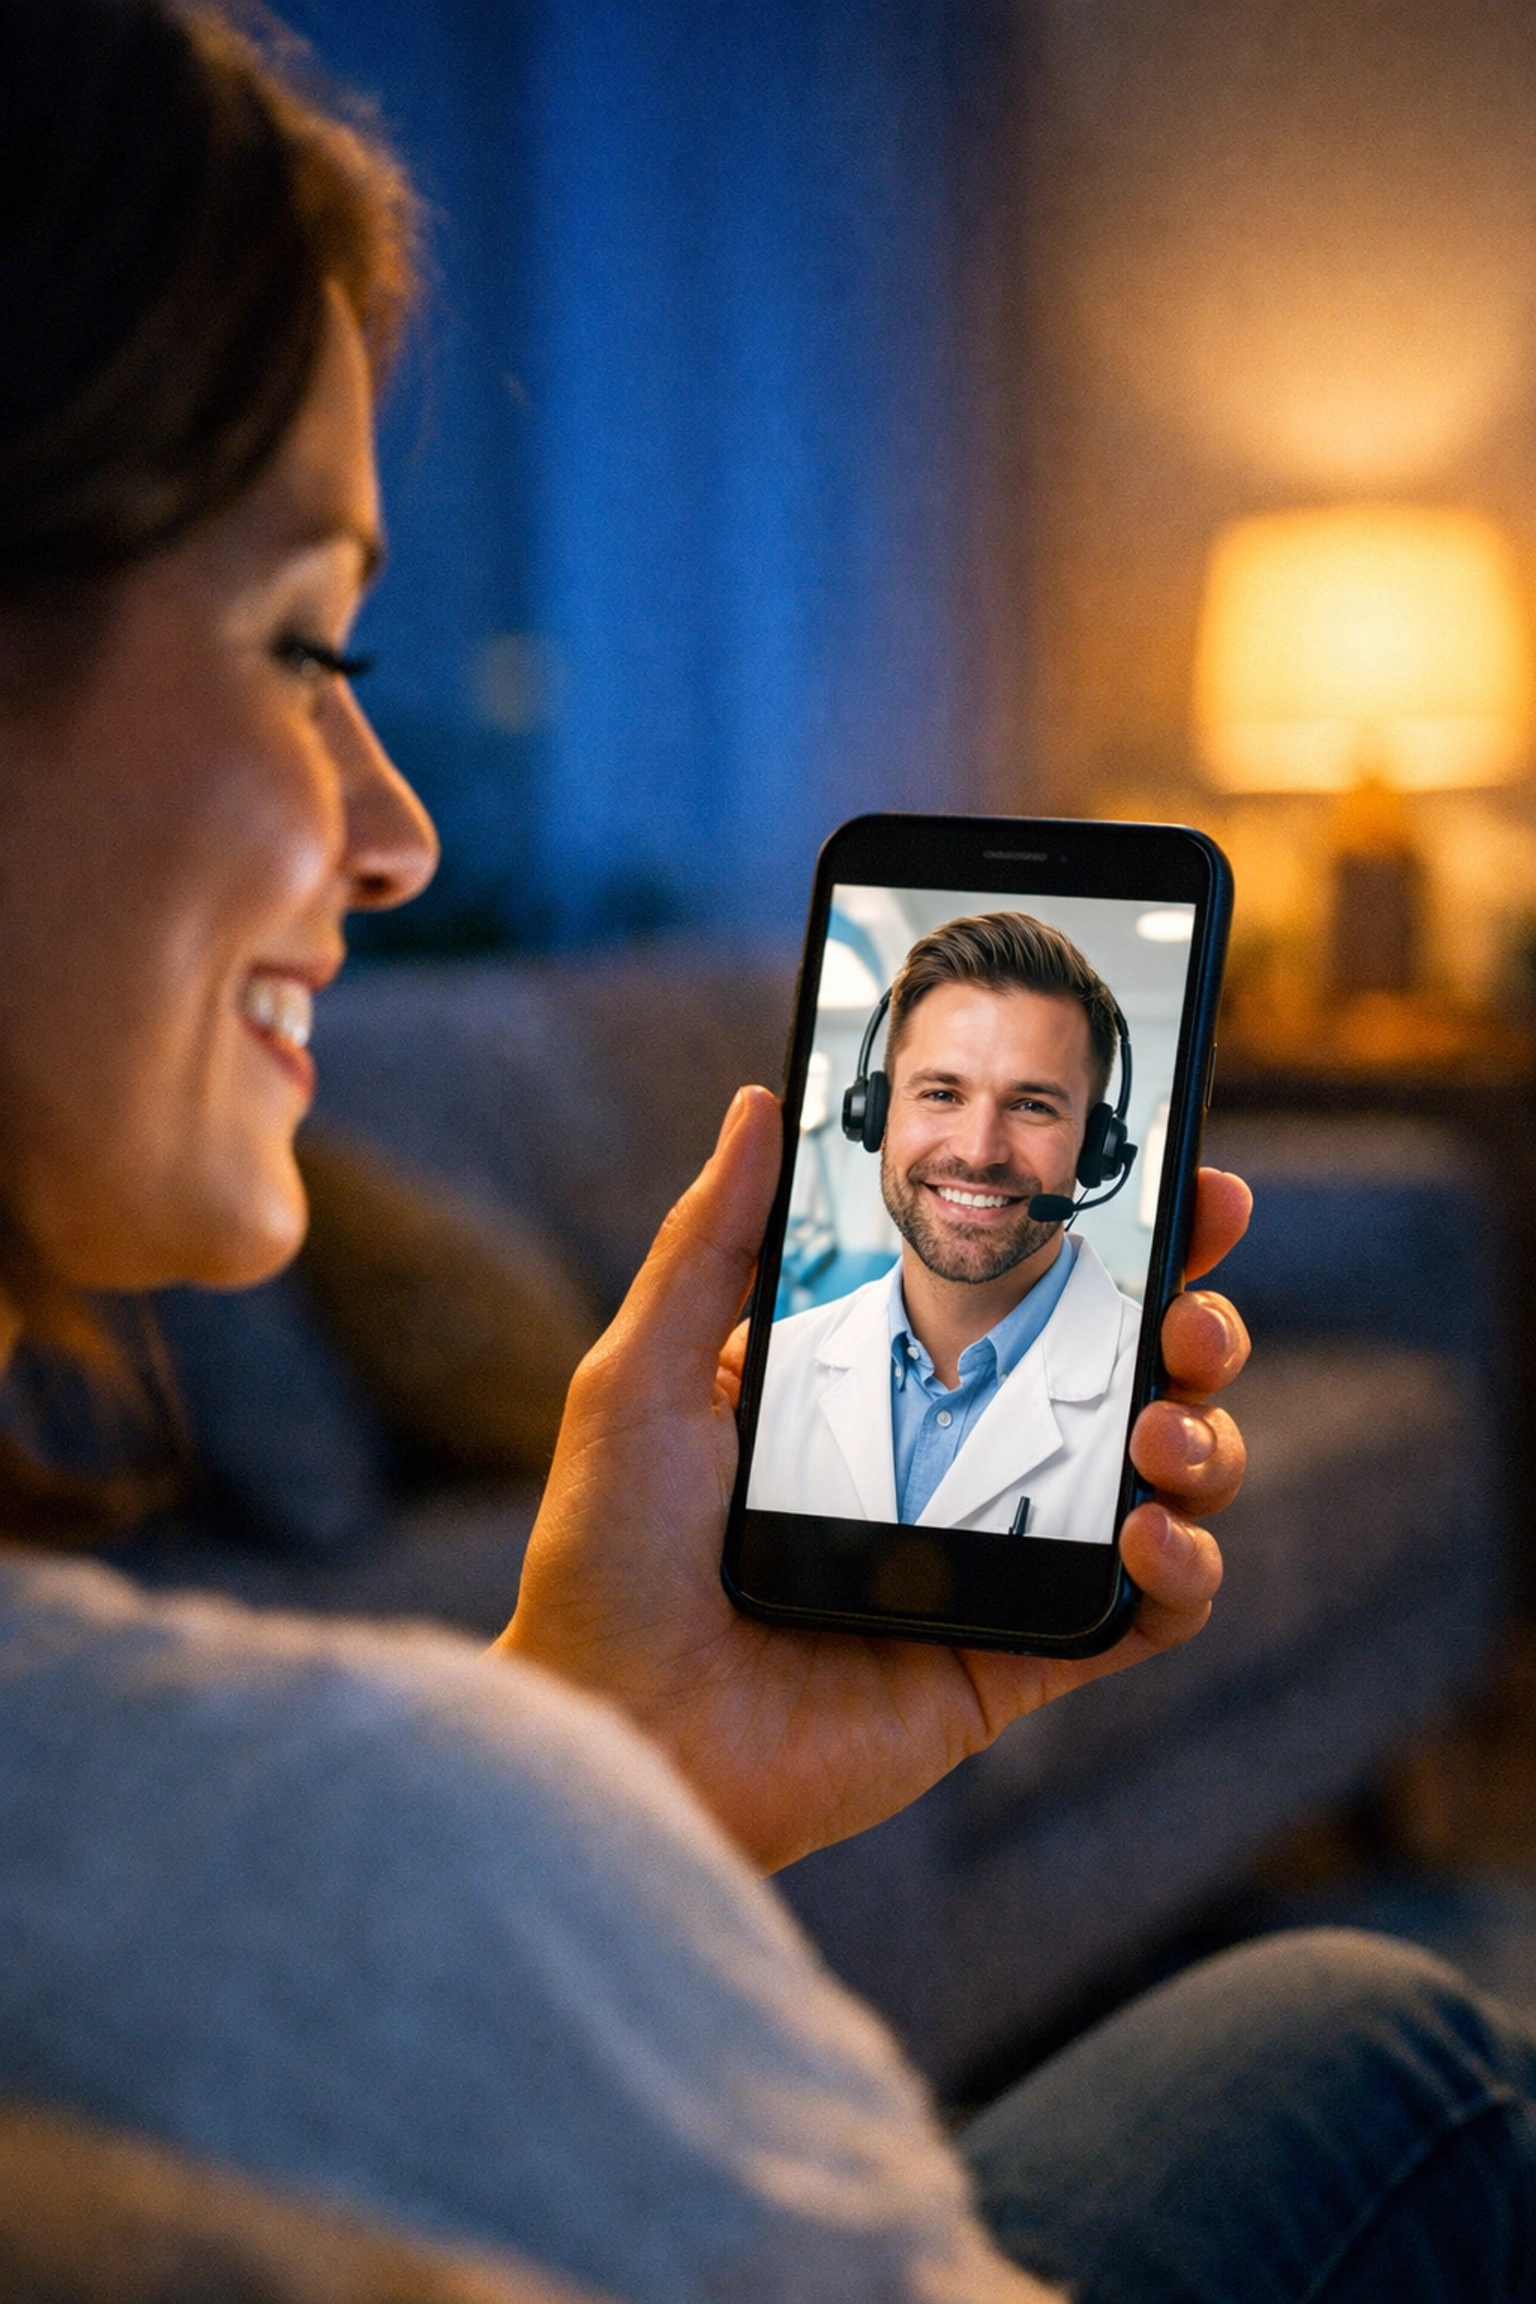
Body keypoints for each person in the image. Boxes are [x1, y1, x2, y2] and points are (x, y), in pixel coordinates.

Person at [1, 8, 1533, 2303]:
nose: (398, 834)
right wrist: (512, 1836)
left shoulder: (355, 1836)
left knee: (1344, 2019)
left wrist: (601, 1748)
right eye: (297, 639)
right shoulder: (321, 1853)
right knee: (1417, 2077)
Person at [749, 911, 1140, 1536]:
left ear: (1098, 1148)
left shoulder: (1146, 1396)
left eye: (1032, 1105)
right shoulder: (769, 1376)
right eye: (940, 1094)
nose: (979, 1150)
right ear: (871, 1113)